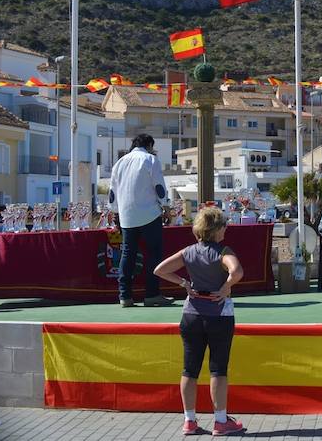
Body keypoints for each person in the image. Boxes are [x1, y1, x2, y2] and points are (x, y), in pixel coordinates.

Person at [153, 207, 246, 437]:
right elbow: (237, 271)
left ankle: (189, 421)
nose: (226, 228)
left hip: (191, 314)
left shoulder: (189, 252)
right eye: (224, 225)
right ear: (216, 230)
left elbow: (159, 270)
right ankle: (221, 421)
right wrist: (226, 287)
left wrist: (183, 283)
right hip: (219, 316)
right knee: (218, 370)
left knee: (189, 369)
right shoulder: (223, 250)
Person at [108, 134, 173, 308]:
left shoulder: (119, 163)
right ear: (149, 145)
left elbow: (112, 193)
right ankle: (152, 294)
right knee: (154, 254)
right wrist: (166, 207)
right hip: (149, 214)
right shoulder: (151, 159)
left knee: (127, 254)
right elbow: (159, 187)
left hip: (127, 216)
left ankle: (125, 296)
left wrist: (115, 212)